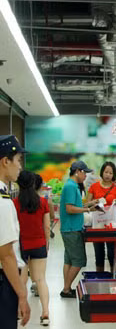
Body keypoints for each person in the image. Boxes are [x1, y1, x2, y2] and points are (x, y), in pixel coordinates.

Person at [0, 135, 30, 328]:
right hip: (4, 283)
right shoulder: (2, 202)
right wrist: (22, 294)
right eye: (18, 160)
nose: (20, 166)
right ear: (5, 161)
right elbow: (6, 255)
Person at [14, 170, 50, 326]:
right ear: (34, 183)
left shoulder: (14, 203)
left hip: (21, 245)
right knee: (40, 279)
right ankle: (45, 313)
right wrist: (46, 244)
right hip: (39, 243)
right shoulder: (42, 202)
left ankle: (18, 311)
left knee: (21, 279)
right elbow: (47, 226)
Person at [60, 160, 98, 298]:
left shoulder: (72, 185)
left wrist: (90, 203)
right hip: (72, 228)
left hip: (69, 228)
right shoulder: (71, 186)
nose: (85, 176)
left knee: (69, 260)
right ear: (77, 171)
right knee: (79, 260)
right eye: (84, 173)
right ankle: (66, 289)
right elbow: (70, 209)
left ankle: (67, 288)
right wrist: (88, 209)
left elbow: (74, 205)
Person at [86, 161, 116, 274]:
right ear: (102, 172)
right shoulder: (94, 186)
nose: (108, 175)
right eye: (106, 172)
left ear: (114, 174)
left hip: (111, 224)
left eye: (111, 173)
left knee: (112, 252)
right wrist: (94, 202)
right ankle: (99, 276)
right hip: (97, 223)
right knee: (99, 252)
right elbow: (86, 204)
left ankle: (113, 275)